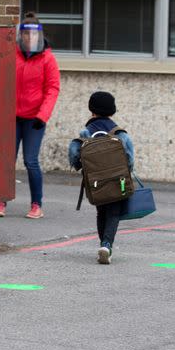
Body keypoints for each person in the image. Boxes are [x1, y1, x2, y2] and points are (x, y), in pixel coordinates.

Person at [0, 12, 61, 219]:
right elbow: (1, 80)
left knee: (30, 161)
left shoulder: (47, 58)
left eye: (33, 35)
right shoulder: (11, 54)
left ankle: (36, 205)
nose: (29, 38)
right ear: (21, 35)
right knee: (7, 160)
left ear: (39, 36)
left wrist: (43, 116)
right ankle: (1, 201)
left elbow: (52, 88)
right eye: (25, 34)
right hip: (12, 117)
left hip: (34, 119)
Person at [68, 91, 134, 265]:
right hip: (117, 181)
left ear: (92, 111)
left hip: (95, 182)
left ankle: (103, 245)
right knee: (114, 212)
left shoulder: (86, 131)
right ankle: (107, 244)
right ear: (112, 111)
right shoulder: (119, 133)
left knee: (101, 212)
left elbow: (74, 153)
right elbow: (130, 157)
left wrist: (80, 167)